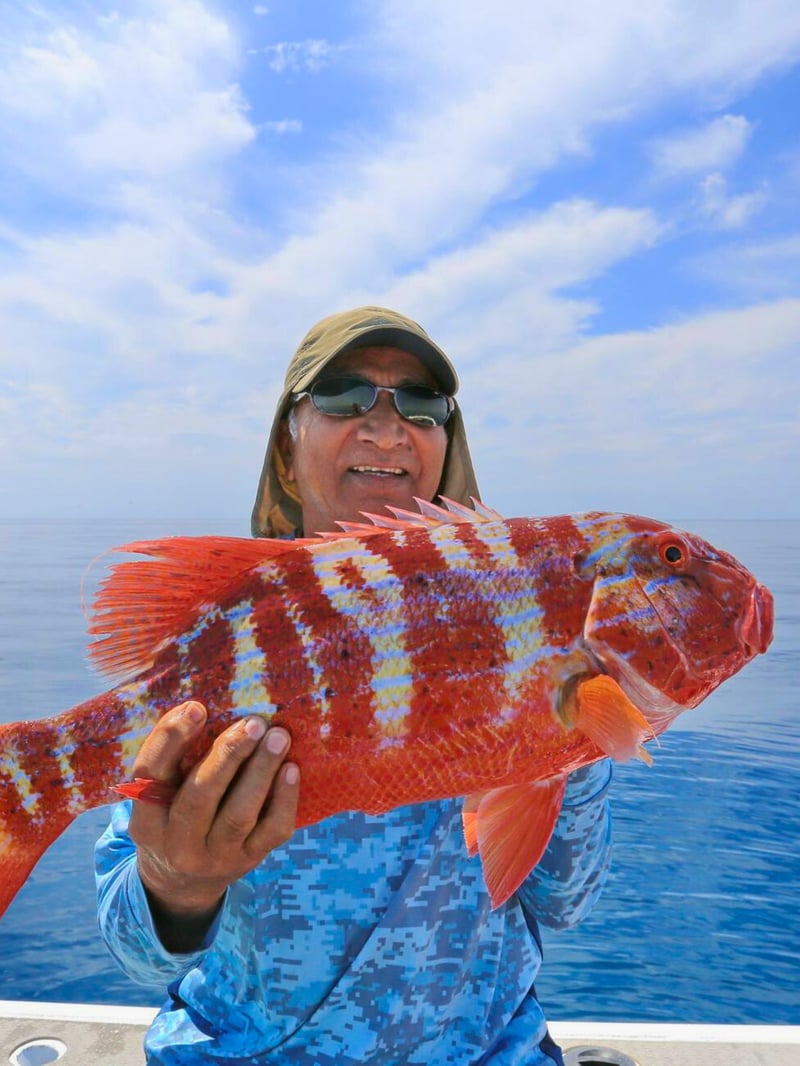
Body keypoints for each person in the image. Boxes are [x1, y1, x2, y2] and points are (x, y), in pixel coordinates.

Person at [96, 306, 613, 1065]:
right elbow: (138, 954)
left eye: (421, 403)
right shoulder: (228, 635)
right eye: (342, 396)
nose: (385, 426)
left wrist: (582, 727)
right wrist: (175, 882)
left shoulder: (526, 624)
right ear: (285, 446)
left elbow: (563, 903)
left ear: (446, 442)